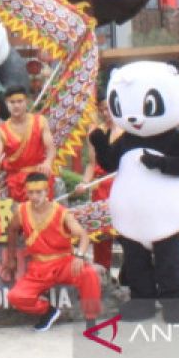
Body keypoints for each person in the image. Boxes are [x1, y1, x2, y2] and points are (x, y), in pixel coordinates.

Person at [3, 172, 101, 332]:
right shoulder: (21, 211)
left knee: (88, 274)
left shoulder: (62, 212)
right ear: (26, 192)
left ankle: (91, 320)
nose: (34, 196)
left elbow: (83, 235)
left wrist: (80, 255)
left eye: (38, 192)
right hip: (39, 267)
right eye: (31, 192)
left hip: (64, 262)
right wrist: (11, 257)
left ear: (47, 191)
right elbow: (12, 231)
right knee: (15, 296)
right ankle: (48, 311)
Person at [78, 97, 122, 271]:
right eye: (102, 109)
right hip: (102, 187)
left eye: (109, 109)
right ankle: (102, 273)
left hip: (122, 184)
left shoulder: (127, 130)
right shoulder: (95, 133)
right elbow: (91, 163)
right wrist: (84, 183)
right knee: (101, 233)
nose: (106, 113)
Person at [0, 85, 56, 202]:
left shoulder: (40, 121)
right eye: (12, 102)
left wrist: (48, 162)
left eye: (20, 101)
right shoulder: (1, 130)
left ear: (26, 101)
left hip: (40, 174)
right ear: (6, 104)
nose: (16, 105)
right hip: (16, 180)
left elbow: (51, 149)